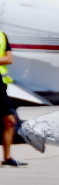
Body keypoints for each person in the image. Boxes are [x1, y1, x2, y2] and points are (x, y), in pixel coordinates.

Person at [0, 30, 27, 166]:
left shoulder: (2, 35)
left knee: (10, 121)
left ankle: (7, 157)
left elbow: (9, 59)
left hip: (2, 84)